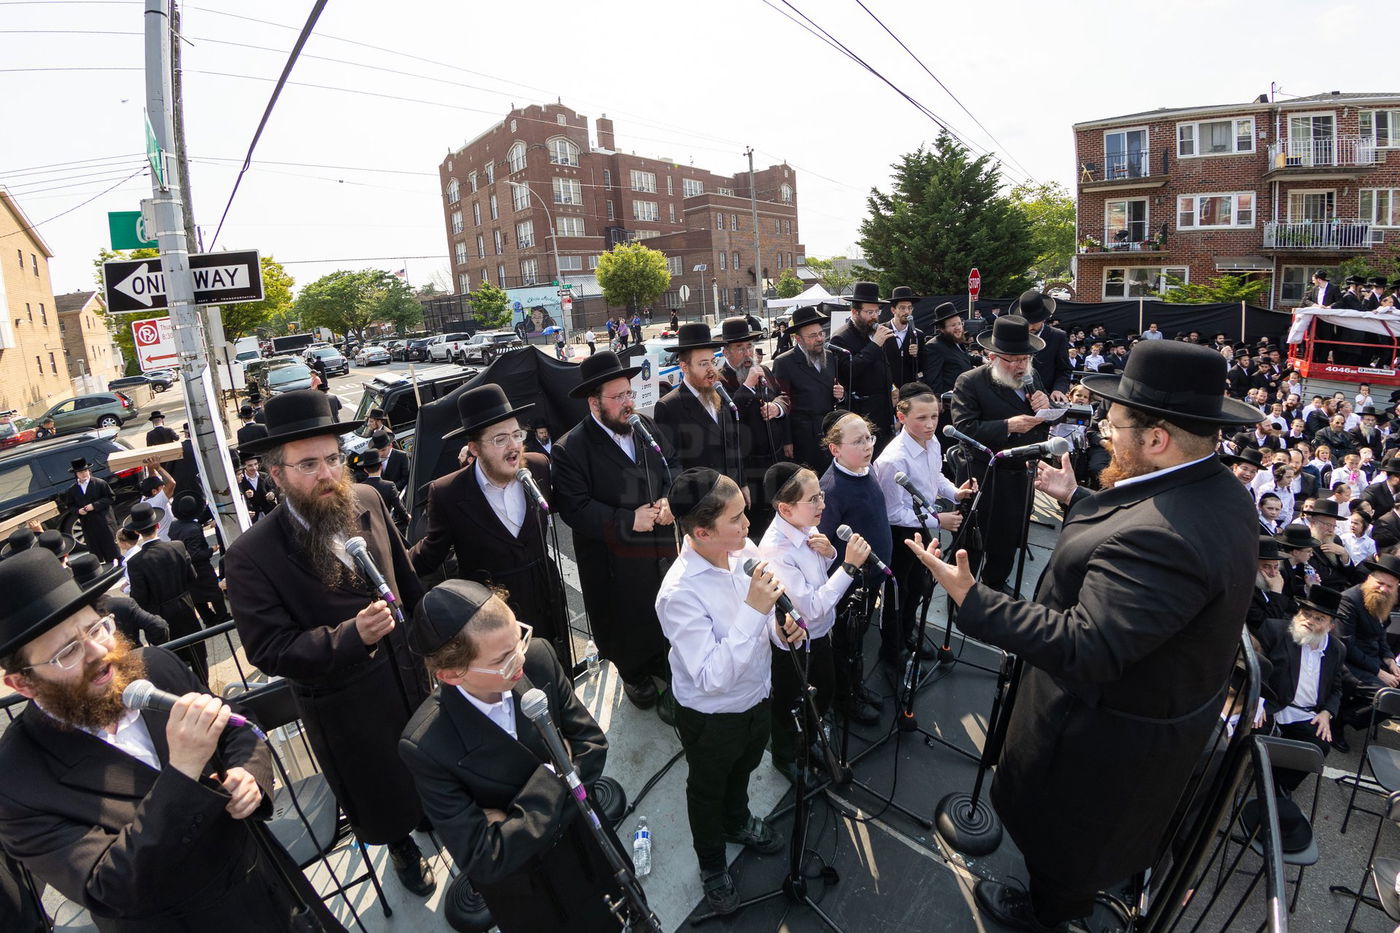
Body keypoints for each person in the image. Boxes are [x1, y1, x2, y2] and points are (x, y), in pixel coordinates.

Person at [906, 338, 1259, 932]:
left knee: (1066, 851)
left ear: (1156, 439)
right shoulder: (1213, 491)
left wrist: (973, 598)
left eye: (1116, 425)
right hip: (1136, 724)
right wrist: (1079, 500)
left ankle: (1049, 915)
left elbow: (1086, 645)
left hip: (1101, 740)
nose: (1103, 435)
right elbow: (1132, 547)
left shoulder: (1168, 536)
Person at [0, 548, 344, 932]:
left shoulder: (154, 666)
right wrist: (182, 771)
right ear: (23, 684)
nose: (98, 652)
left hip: (272, 885)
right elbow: (108, 887)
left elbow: (237, 725)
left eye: (96, 629)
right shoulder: (16, 780)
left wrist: (249, 774)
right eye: (68, 651)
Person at [223, 389, 436, 898]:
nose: (327, 474)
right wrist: (350, 636)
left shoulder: (367, 499)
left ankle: (432, 809)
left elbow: (406, 582)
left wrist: (436, 642)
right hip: (346, 704)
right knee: (378, 788)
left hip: (409, 676)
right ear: (276, 475)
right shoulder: (252, 555)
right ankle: (399, 844)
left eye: (334, 459)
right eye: (309, 464)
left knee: (429, 760)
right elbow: (269, 648)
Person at [398, 581, 627, 932]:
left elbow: (593, 746)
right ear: (451, 674)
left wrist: (511, 820)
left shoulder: (538, 658)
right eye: (502, 659)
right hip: (532, 892)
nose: (518, 658)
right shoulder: (427, 744)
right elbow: (485, 857)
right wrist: (556, 775)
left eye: (517, 638)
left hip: (590, 847)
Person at [654, 468, 805, 915]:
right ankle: (712, 865)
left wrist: (782, 627)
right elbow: (710, 676)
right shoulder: (678, 593)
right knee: (706, 789)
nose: (748, 525)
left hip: (757, 696)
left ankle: (738, 821)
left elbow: (768, 625)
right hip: (712, 716)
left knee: (745, 766)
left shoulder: (743, 551)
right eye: (737, 519)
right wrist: (753, 610)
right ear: (701, 531)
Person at [552, 351, 677, 711]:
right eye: (618, 397)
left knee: (658, 608)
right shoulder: (570, 448)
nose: (627, 403)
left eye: (629, 394)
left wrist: (670, 500)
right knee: (625, 618)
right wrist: (627, 520)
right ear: (594, 402)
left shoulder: (644, 427)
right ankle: (633, 673)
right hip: (613, 559)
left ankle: (659, 660)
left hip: (659, 547)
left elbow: (674, 466)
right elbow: (575, 509)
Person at [410, 386, 568, 662]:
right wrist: (390, 564)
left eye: (517, 435)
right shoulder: (448, 492)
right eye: (499, 439)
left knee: (555, 669)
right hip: (490, 613)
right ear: (474, 448)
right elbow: (429, 555)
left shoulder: (539, 466)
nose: (514, 447)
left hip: (547, 596)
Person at [759, 462, 870, 786]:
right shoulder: (777, 549)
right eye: (814, 500)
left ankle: (809, 741)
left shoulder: (806, 525)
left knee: (823, 693)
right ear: (785, 508)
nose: (823, 505)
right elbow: (811, 608)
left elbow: (819, 574)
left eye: (821, 496)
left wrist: (831, 553)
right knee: (791, 704)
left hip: (821, 636)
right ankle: (786, 756)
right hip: (795, 644)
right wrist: (848, 567)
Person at [874, 383, 975, 666]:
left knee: (919, 586)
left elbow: (936, 477)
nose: (931, 424)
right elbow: (892, 512)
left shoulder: (932, 443)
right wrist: (938, 520)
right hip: (899, 535)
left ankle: (908, 633)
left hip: (922, 526)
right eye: (922, 418)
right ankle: (891, 649)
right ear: (902, 417)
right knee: (898, 593)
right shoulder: (894, 460)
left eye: (935, 416)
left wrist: (954, 491)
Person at [949, 315, 1051, 593]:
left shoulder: (1032, 377)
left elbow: (1042, 420)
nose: (1020, 366)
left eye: (1025, 359)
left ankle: (995, 582)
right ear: (992, 356)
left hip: (1021, 472)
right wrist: (1007, 426)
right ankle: (963, 591)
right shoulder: (970, 381)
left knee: (1010, 535)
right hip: (984, 473)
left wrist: (1046, 406)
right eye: (1013, 360)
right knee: (975, 536)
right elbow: (964, 427)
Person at [817, 411, 891, 725]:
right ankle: (844, 697)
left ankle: (856, 686)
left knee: (859, 640)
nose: (867, 446)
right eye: (858, 441)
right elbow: (824, 544)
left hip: (872, 576)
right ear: (835, 449)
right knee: (846, 643)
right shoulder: (832, 489)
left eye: (869, 438)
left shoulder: (865, 469)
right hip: (851, 585)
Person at [1257, 586, 1352, 787]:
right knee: (1254, 731)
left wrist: (1327, 712)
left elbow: (1336, 689)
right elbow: (1257, 669)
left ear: (1330, 626)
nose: (1309, 620)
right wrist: (1258, 700)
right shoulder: (1274, 630)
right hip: (1271, 707)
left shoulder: (1337, 649)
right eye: (1306, 614)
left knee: (1319, 745)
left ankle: (1280, 788)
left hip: (1305, 713)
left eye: (1319, 619)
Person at [715, 316, 789, 531]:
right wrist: (746, 387)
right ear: (726, 352)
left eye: (749, 346)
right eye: (740, 348)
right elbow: (728, 415)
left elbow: (783, 395)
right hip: (748, 463)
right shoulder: (720, 380)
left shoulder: (763, 370)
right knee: (756, 521)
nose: (748, 353)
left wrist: (777, 407)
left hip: (774, 456)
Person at [122, 502, 207, 685]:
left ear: (137, 532)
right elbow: (192, 578)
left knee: (171, 662)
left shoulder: (135, 562)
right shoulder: (177, 547)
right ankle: (205, 687)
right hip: (185, 607)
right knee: (198, 655)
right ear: (158, 526)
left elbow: (139, 599)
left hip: (160, 617)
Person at [654, 322, 743, 487]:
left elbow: (733, 444)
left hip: (731, 491)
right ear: (684, 367)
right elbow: (672, 465)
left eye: (712, 361)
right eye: (703, 364)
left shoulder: (720, 394)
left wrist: (742, 483)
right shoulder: (669, 407)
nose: (711, 369)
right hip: (701, 501)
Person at [771, 305, 841, 472]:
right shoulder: (784, 362)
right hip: (802, 435)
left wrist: (841, 395)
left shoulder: (830, 357)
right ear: (798, 339)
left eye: (820, 334)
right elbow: (783, 402)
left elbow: (835, 392)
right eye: (812, 336)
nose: (819, 339)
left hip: (829, 430)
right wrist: (787, 440)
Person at [830, 281, 896, 451]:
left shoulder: (874, 332)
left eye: (876, 311)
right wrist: (874, 345)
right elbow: (851, 370)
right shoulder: (841, 337)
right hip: (863, 410)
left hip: (885, 408)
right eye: (869, 312)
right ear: (854, 312)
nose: (874, 316)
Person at [166, 493, 228, 628]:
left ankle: (208, 619)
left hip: (184, 568)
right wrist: (211, 550)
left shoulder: (175, 526)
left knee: (196, 596)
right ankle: (223, 617)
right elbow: (195, 554)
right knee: (214, 592)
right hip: (200, 568)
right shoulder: (193, 529)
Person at [1012, 290, 1071, 404]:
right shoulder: (1013, 335)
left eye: (1034, 322)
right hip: (1014, 399)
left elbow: (1064, 369)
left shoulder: (1057, 336)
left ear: (1043, 318)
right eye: (1026, 322)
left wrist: (1058, 389)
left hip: (1045, 399)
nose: (1030, 326)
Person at [65, 457, 121, 567]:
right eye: (80, 472)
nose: (84, 474)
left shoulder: (100, 483)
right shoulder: (72, 490)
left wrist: (94, 506)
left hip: (103, 520)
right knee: (95, 547)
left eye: (85, 471)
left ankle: (119, 563)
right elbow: (70, 506)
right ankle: (103, 566)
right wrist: (78, 511)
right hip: (88, 523)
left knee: (110, 544)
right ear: (76, 474)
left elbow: (110, 497)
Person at [356, 449, 410, 532]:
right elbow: (399, 507)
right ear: (381, 466)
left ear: (365, 470)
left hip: (370, 529)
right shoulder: (389, 486)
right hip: (386, 526)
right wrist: (407, 517)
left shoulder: (360, 488)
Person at [883, 285, 923, 387]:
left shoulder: (917, 334)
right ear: (893, 310)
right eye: (902, 308)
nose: (907, 312)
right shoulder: (881, 331)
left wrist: (916, 355)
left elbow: (922, 367)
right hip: (886, 390)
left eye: (909, 308)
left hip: (909, 390)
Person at [138, 458, 177, 540]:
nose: (163, 488)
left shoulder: (144, 499)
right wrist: (158, 467)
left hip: (160, 538)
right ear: (154, 491)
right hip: (169, 538)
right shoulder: (158, 501)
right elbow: (172, 483)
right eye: (161, 487)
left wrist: (150, 467)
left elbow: (152, 479)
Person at [236, 453, 277, 521]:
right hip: (253, 517)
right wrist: (245, 496)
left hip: (270, 513)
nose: (254, 468)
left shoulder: (265, 476)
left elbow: (274, 488)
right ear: (244, 466)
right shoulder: (240, 480)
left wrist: (272, 494)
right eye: (250, 465)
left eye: (255, 464)